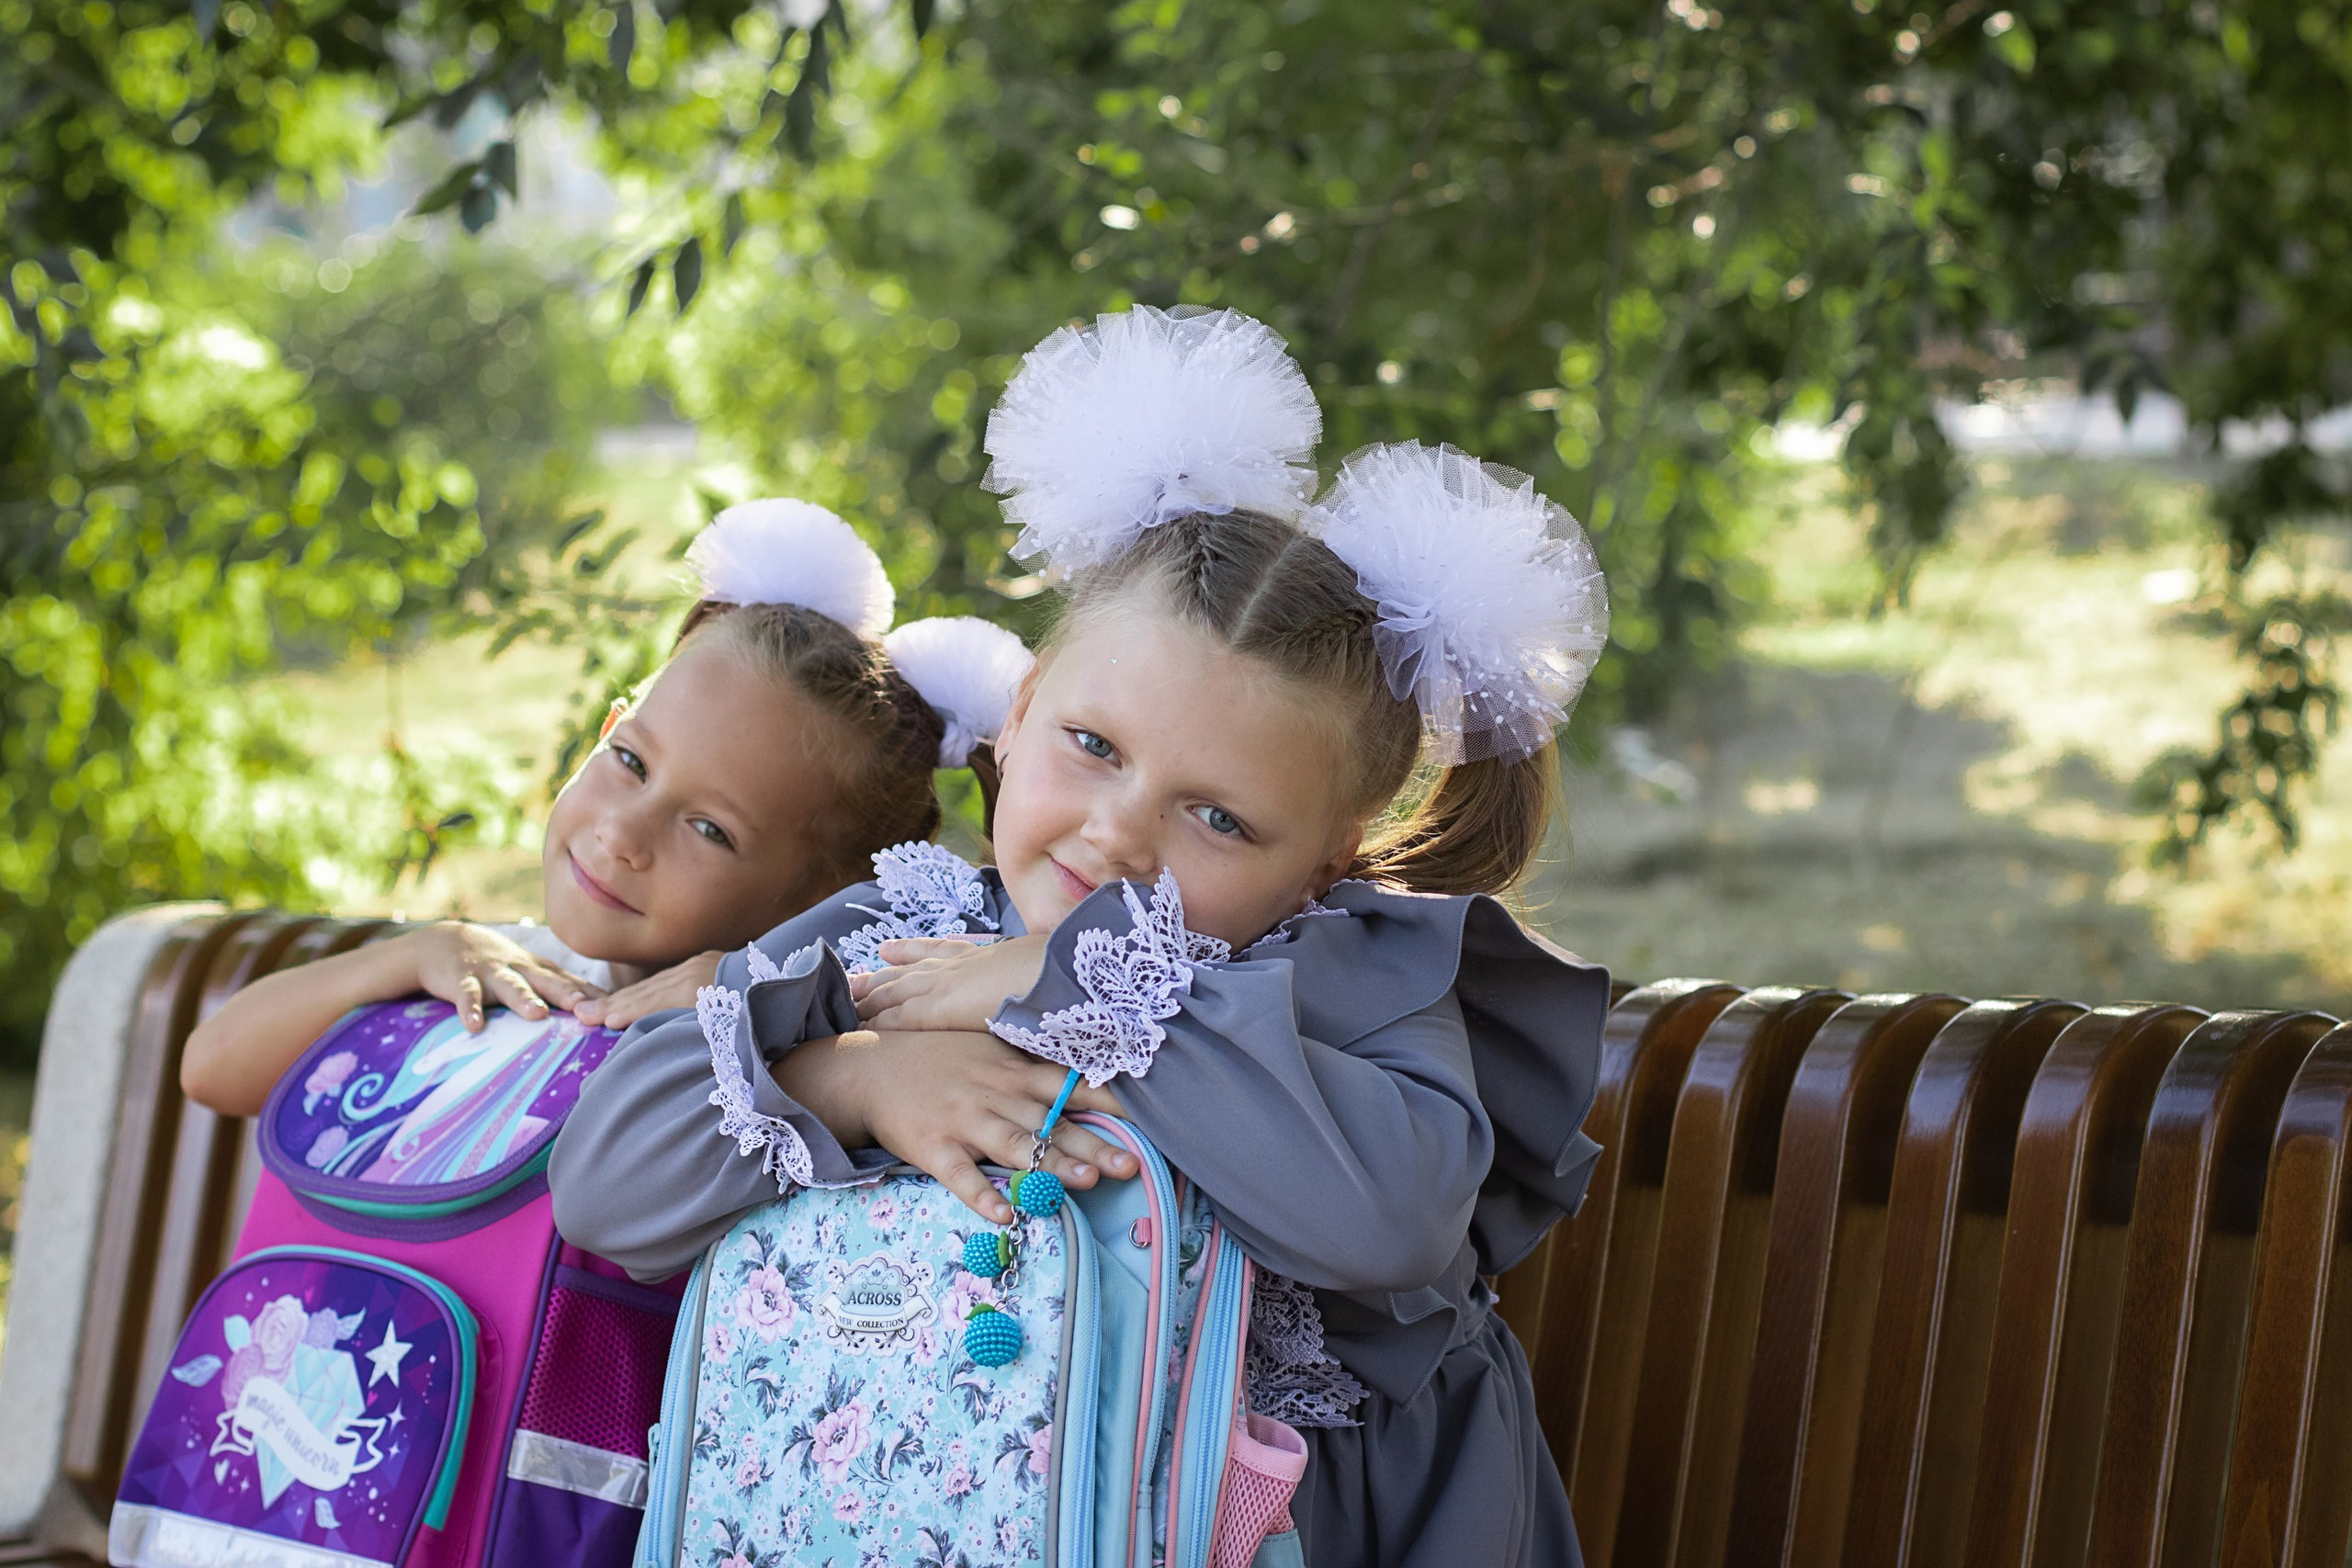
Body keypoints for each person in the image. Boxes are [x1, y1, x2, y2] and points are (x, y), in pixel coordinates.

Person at [548, 306, 1613, 1568]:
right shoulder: (914, 925)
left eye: (1217, 815)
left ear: (1327, 855)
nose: (1115, 836)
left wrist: (1074, 990)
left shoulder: (1347, 979)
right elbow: (603, 1186)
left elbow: (1383, 1221)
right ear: (1024, 705)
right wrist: (850, 1073)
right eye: (1093, 746)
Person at [180, 499, 1022, 1117]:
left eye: (710, 829)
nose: (621, 833)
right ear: (608, 725)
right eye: (629, 761)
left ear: (816, 898)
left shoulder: (781, 1060)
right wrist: (414, 955)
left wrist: (749, 1014)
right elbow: (214, 1066)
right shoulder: (509, 974)